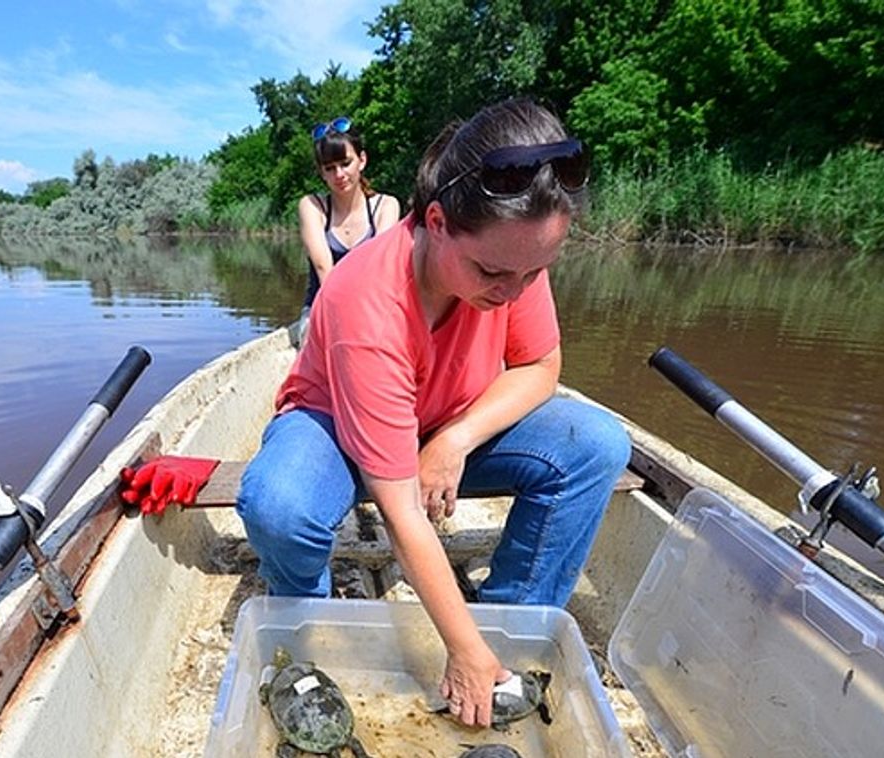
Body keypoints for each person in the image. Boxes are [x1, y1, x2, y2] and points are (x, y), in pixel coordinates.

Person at [237, 99, 631, 728]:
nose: (512, 291)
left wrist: (453, 440)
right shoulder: (366, 302)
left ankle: (510, 625)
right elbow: (402, 513)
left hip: (443, 422)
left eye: (535, 273)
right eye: (492, 272)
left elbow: (540, 369)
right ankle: (303, 633)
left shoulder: (516, 257)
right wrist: (457, 648)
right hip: (335, 427)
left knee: (598, 444)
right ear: (437, 221)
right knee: (279, 505)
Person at [290, 116, 400, 346]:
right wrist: (345, 324)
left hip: (373, 308)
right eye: (329, 168)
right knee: (331, 341)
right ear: (322, 173)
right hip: (321, 310)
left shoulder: (386, 206)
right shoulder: (312, 206)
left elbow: (378, 271)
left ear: (362, 160)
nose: (339, 174)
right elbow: (324, 269)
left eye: (345, 163)